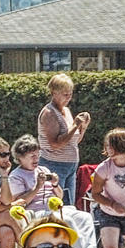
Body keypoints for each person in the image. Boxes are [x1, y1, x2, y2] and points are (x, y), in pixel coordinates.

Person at [1, 133, 101, 248]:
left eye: (37, 155)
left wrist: (55, 184)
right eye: (32, 156)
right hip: (35, 213)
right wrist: (37, 187)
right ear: (20, 158)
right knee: (68, 221)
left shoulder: (43, 169)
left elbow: (59, 196)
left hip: (53, 208)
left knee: (84, 217)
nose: (36, 158)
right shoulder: (16, 176)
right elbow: (19, 203)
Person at [37, 73, 91, 206]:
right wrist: (74, 126)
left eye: (70, 94)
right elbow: (55, 143)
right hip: (53, 164)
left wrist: (83, 127)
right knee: (54, 205)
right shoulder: (49, 113)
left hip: (70, 165)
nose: (68, 98)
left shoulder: (66, 111)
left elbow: (73, 142)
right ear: (54, 93)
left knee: (68, 206)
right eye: (64, 94)